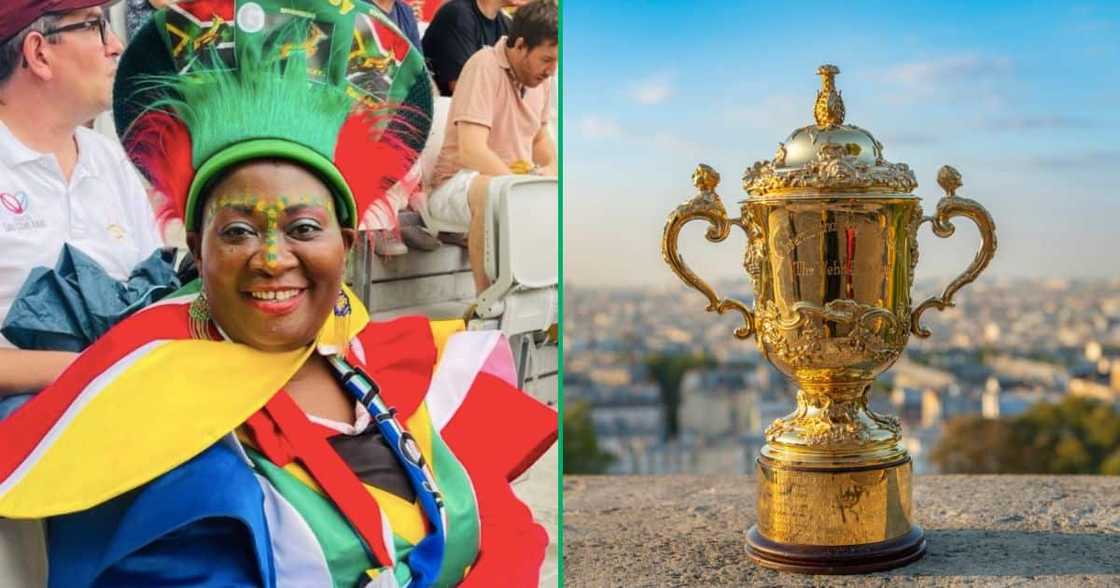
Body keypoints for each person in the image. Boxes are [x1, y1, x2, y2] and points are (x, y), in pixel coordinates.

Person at [0, 2, 556, 586]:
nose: (271, 258)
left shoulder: (405, 373)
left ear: (345, 243)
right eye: (238, 231)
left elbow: (505, 533)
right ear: (199, 246)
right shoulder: (174, 469)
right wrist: (107, 368)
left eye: (304, 229)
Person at [0, 1, 163, 397]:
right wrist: (93, 368)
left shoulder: (110, 160)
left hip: (127, 392)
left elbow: (156, 292)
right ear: (39, 53)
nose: (117, 45)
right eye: (96, 26)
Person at [426, 0, 557, 293]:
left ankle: (548, 298)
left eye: (557, 62)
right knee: (493, 190)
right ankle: (487, 302)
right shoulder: (483, 66)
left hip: (513, 181)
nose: (551, 70)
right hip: (456, 184)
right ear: (521, 45)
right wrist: (521, 186)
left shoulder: (541, 81)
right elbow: (472, 151)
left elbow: (539, 140)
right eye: (547, 60)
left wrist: (552, 172)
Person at [421, 0, 524, 97]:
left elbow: (517, 87)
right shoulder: (458, 14)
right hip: (444, 109)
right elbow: (462, 89)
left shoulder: (506, 24)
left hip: (482, 109)